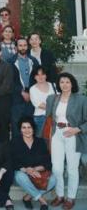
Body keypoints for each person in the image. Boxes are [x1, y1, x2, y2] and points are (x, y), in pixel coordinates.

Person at [46, 72, 87, 209]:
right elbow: (49, 118)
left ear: (72, 84)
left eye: (67, 82)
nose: (64, 84)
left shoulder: (81, 99)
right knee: (56, 168)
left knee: (72, 168)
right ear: (58, 84)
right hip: (57, 134)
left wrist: (77, 129)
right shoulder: (52, 98)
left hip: (73, 135)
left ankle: (70, 198)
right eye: (62, 82)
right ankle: (59, 195)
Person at [11, 116, 55, 210]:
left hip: (38, 174)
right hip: (23, 174)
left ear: (33, 129)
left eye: (29, 127)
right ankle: (43, 202)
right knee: (19, 176)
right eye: (24, 127)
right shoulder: (15, 142)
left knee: (54, 180)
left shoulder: (40, 142)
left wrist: (36, 169)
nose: (27, 130)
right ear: (20, 129)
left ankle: (27, 197)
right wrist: (26, 170)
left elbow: (48, 162)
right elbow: (12, 161)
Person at [10, 38, 38, 138]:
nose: (23, 47)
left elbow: (37, 79)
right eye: (20, 45)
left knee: (30, 126)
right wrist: (21, 92)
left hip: (31, 98)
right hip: (16, 98)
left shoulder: (33, 61)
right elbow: (9, 81)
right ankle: (17, 152)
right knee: (16, 127)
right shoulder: (10, 61)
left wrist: (31, 93)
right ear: (16, 47)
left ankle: (30, 151)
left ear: (28, 46)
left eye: (24, 45)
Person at [29, 66, 56, 136]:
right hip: (40, 118)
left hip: (55, 117)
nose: (40, 77)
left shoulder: (54, 86)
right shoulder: (32, 89)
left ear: (46, 75)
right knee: (40, 141)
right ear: (34, 77)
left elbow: (59, 100)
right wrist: (53, 106)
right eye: (38, 75)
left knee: (53, 140)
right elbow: (40, 105)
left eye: (42, 74)